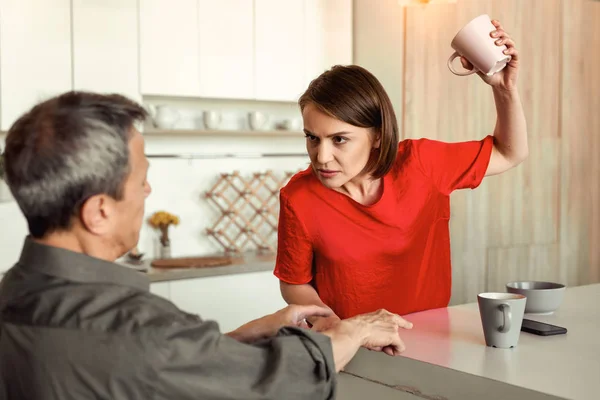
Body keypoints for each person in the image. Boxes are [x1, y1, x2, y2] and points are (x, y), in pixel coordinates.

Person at [0, 91, 411, 400]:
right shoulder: (134, 326)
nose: (148, 189)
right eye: (140, 178)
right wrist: (355, 330)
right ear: (99, 212)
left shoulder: (14, 293)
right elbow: (281, 379)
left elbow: (139, 364)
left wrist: (244, 335)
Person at [275, 20, 528, 331]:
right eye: (312, 137)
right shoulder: (298, 197)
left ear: (378, 135)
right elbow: (293, 283)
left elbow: (509, 153)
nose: (321, 156)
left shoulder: (422, 164)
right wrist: (341, 330)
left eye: (339, 139)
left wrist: (504, 88)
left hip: (431, 339)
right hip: (348, 345)